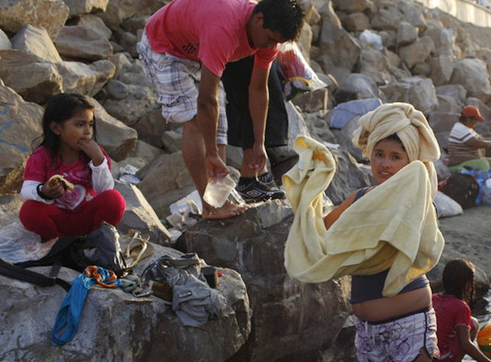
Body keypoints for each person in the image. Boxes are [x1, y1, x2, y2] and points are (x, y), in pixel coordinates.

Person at [316, 103, 443, 362]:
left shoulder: (415, 201)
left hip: (409, 321)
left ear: (410, 162)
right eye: (379, 155)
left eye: (396, 156)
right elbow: (323, 232)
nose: (385, 164)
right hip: (368, 326)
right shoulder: (360, 198)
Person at [136, 0, 304, 219]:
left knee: (219, 126)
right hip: (165, 47)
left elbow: (259, 89)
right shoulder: (224, 27)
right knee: (196, 119)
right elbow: (206, 101)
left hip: (197, 49)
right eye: (270, 39)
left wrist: (258, 143)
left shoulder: (268, 40)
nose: (269, 45)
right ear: (259, 19)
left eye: (276, 42)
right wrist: (211, 153)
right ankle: (209, 207)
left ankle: (218, 199)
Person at [19, 93, 126, 242]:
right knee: (29, 210)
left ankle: (94, 242)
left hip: (86, 218)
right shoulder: (41, 156)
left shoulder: (96, 155)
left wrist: (98, 161)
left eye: (90, 124)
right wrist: (44, 192)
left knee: (115, 199)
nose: (88, 131)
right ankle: (59, 245)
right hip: (57, 219)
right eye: (80, 125)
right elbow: (26, 191)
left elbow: (105, 189)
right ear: (56, 128)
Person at [221, 57, 289, 202]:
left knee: (266, 92)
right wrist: (257, 142)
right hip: (240, 50)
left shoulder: (267, 45)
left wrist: (259, 142)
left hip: (251, 48)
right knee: (249, 96)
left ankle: (256, 172)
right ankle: (249, 178)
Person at [432, 258, 491, 362]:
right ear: (467, 284)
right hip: (441, 360)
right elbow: (466, 343)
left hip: (425, 358)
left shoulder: (432, 298)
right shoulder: (461, 307)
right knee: (473, 324)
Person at [446, 105, 491, 173]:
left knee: (490, 161)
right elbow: (475, 143)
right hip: (460, 162)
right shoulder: (460, 128)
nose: (476, 123)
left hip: (468, 159)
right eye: (475, 120)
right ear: (468, 119)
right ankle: (483, 181)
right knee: (483, 164)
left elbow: (480, 139)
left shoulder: (467, 128)